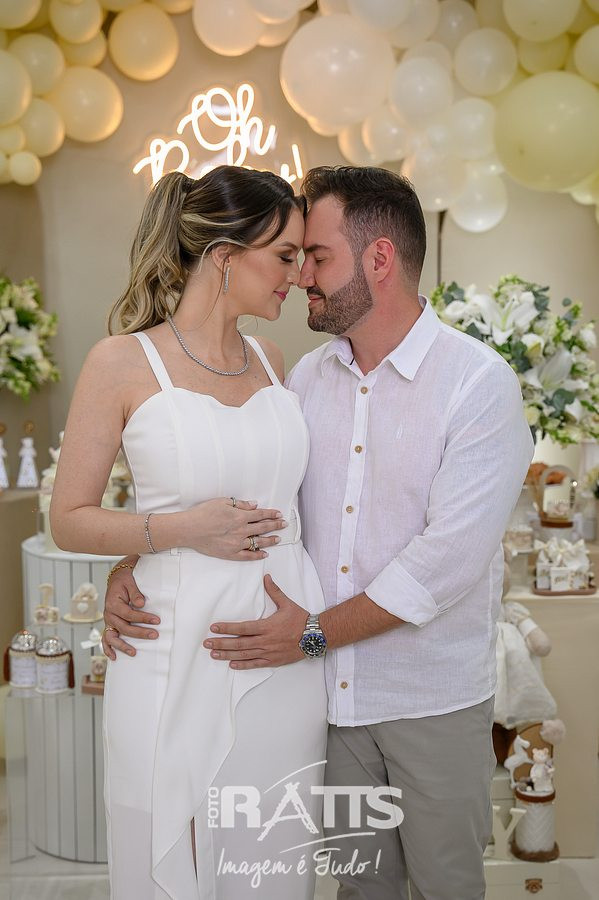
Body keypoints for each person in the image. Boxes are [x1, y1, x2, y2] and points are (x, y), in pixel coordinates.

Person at [104, 166, 534, 900]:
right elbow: (250, 503)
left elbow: (445, 563)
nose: (301, 274)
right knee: (359, 888)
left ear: (378, 259)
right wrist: (133, 562)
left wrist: (309, 636)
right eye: (296, 256)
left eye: (318, 256)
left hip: (425, 697)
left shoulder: (476, 384)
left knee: (447, 887)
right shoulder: (302, 379)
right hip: (324, 702)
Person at [49, 166, 329, 900]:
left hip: (283, 650)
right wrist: (178, 532)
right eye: (285, 256)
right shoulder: (121, 362)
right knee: (168, 840)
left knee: (271, 847)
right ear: (225, 256)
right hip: (171, 641)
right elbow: (68, 518)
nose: (298, 276)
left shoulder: (274, 362)